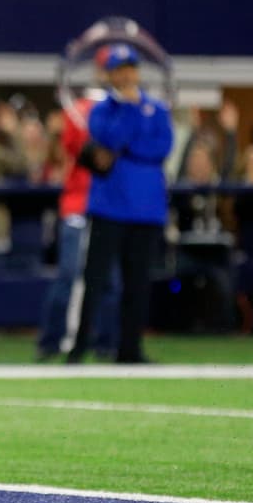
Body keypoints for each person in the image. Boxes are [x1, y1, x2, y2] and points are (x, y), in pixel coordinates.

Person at [68, 44, 173, 364]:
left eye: (131, 68)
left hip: (147, 210)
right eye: (120, 70)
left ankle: (130, 350)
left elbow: (162, 147)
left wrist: (128, 146)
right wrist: (129, 111)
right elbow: (110, 139)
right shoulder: (102, 109)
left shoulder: (158, 109)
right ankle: (80, 347)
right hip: (109, 208)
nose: (127, 75)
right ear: (110, 75)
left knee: (137, 284)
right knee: (95, 280)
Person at [36, 72, 121, 362]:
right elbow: (70, 149)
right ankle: (51, 341)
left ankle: (106, 343)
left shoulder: (120, 112)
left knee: (109, 278)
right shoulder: (78, 110)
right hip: (77, 202)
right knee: (68, 275)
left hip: (107, 204)